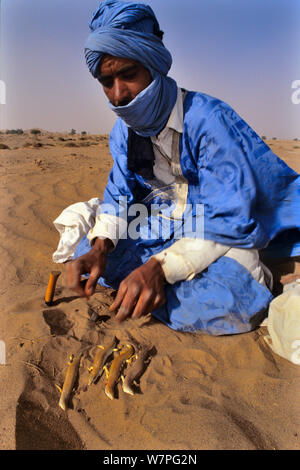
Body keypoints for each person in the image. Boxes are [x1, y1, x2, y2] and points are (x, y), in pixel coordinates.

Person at [53, 0, 300, 335]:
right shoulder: (123, 133)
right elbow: (120, 193)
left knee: (228, 299)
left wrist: (159, 268)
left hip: (226, 224)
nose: (118, 95)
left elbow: (229, 214)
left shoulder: (208, 120)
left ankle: (262, 275)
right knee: (90, 252)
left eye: (128, 75)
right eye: (106, 82)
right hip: (167, 220)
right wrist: (100, 248)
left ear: (154, 65)